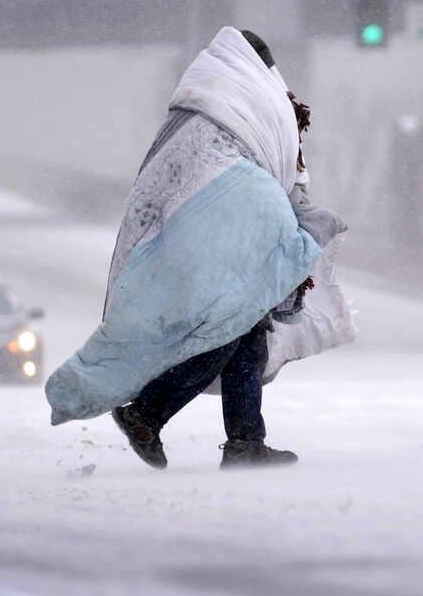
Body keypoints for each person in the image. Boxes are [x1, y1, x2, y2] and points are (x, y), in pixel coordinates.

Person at [45, 27, 355, 469]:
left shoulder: (201, 107)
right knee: (228, 326)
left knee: (246, 330)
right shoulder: (251, 104)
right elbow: (272, 171)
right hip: (216, 233)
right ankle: (148, 412)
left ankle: (246, 441)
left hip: (189, 232)